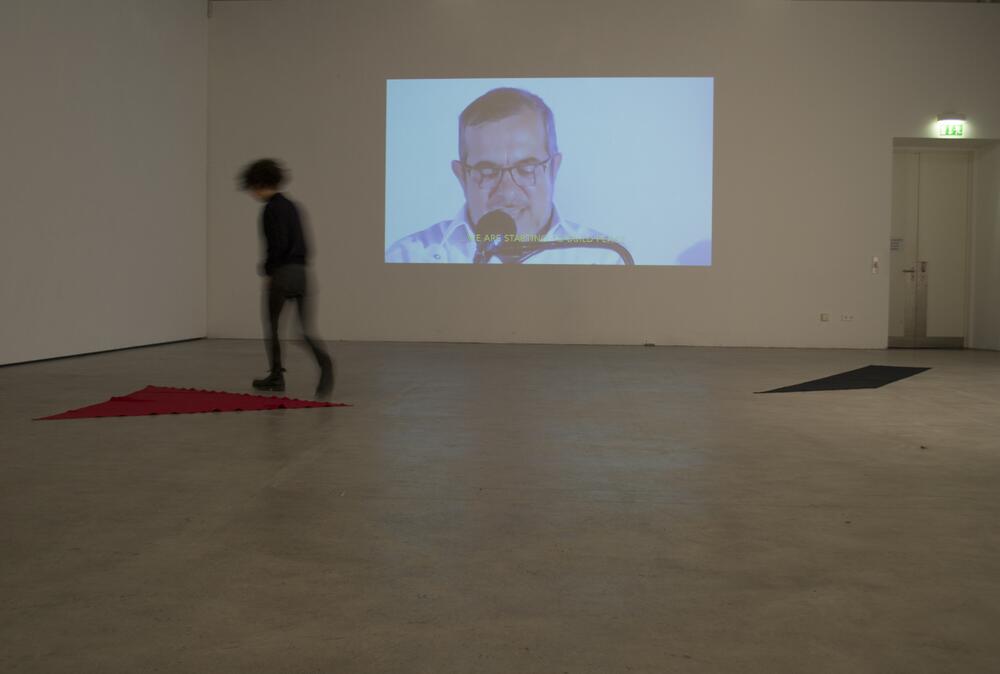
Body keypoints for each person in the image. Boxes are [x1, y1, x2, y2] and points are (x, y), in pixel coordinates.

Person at [385, 87, 627, 264]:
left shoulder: (603, 258)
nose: (508, 192)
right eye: (488, 172)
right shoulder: (407, 258)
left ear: (554, 169)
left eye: (526, 169)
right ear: (462, 177)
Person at [239, 159, 334, 398]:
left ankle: (276, 376)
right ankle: (325, 365)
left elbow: (277, 245)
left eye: (252, 187)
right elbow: (305, 244)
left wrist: (269, 271)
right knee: (304, 329)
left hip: (282, 274)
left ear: (259, 184)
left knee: (272, 326)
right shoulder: (292, 206)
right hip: (302, 273)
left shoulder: (270, 209)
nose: (252, 193)